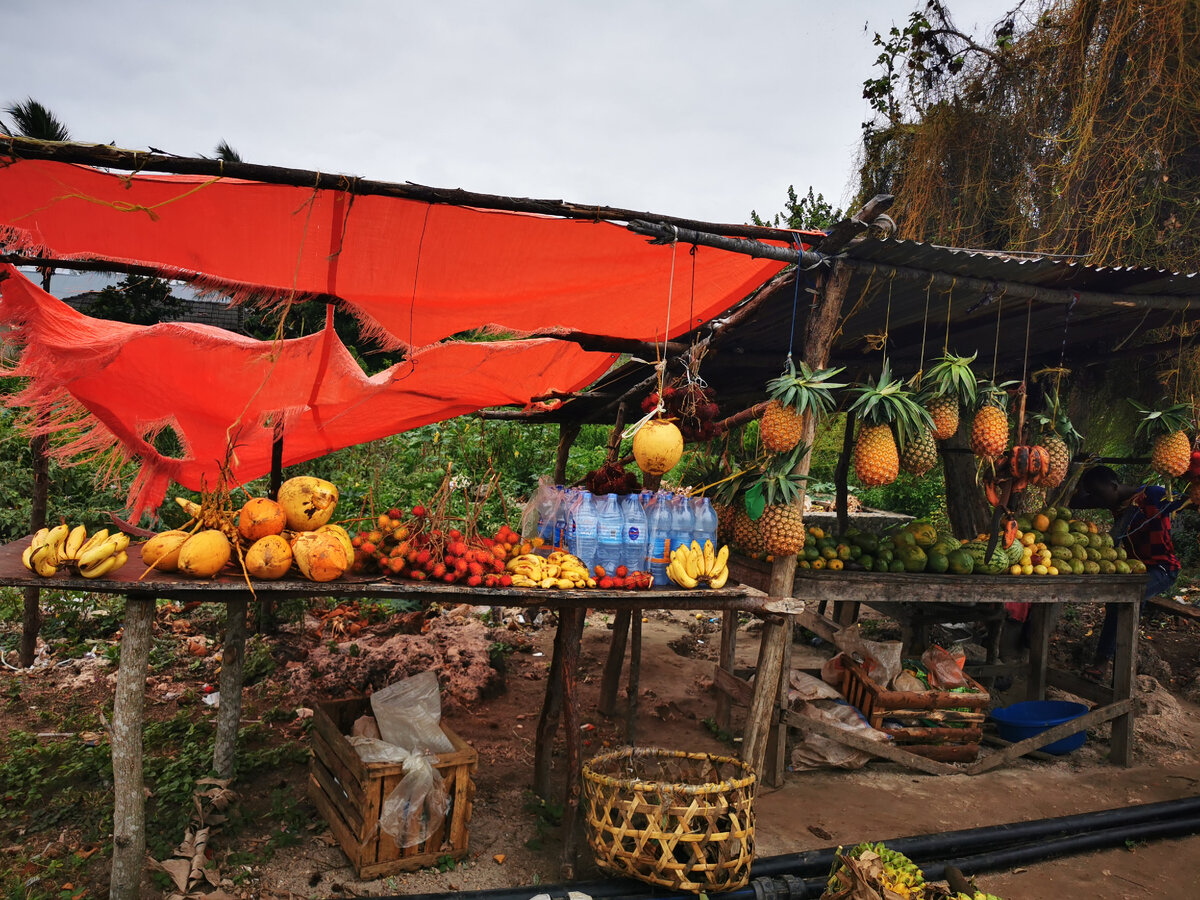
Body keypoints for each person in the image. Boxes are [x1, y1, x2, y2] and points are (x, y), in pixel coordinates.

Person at [1071, 465, 1186, 681]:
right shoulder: (1113, 501)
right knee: (1124, 599)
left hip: (1163, 569)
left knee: (1124, 597)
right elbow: (1075, 501)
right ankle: (1116, 668)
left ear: (1114, 486)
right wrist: (1080, 472)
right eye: (1093, 493)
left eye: (1097, 492)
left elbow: (1188, 500)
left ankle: (1104, 664)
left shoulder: (1153, 495)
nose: (1096, 498)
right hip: (1134, 570)